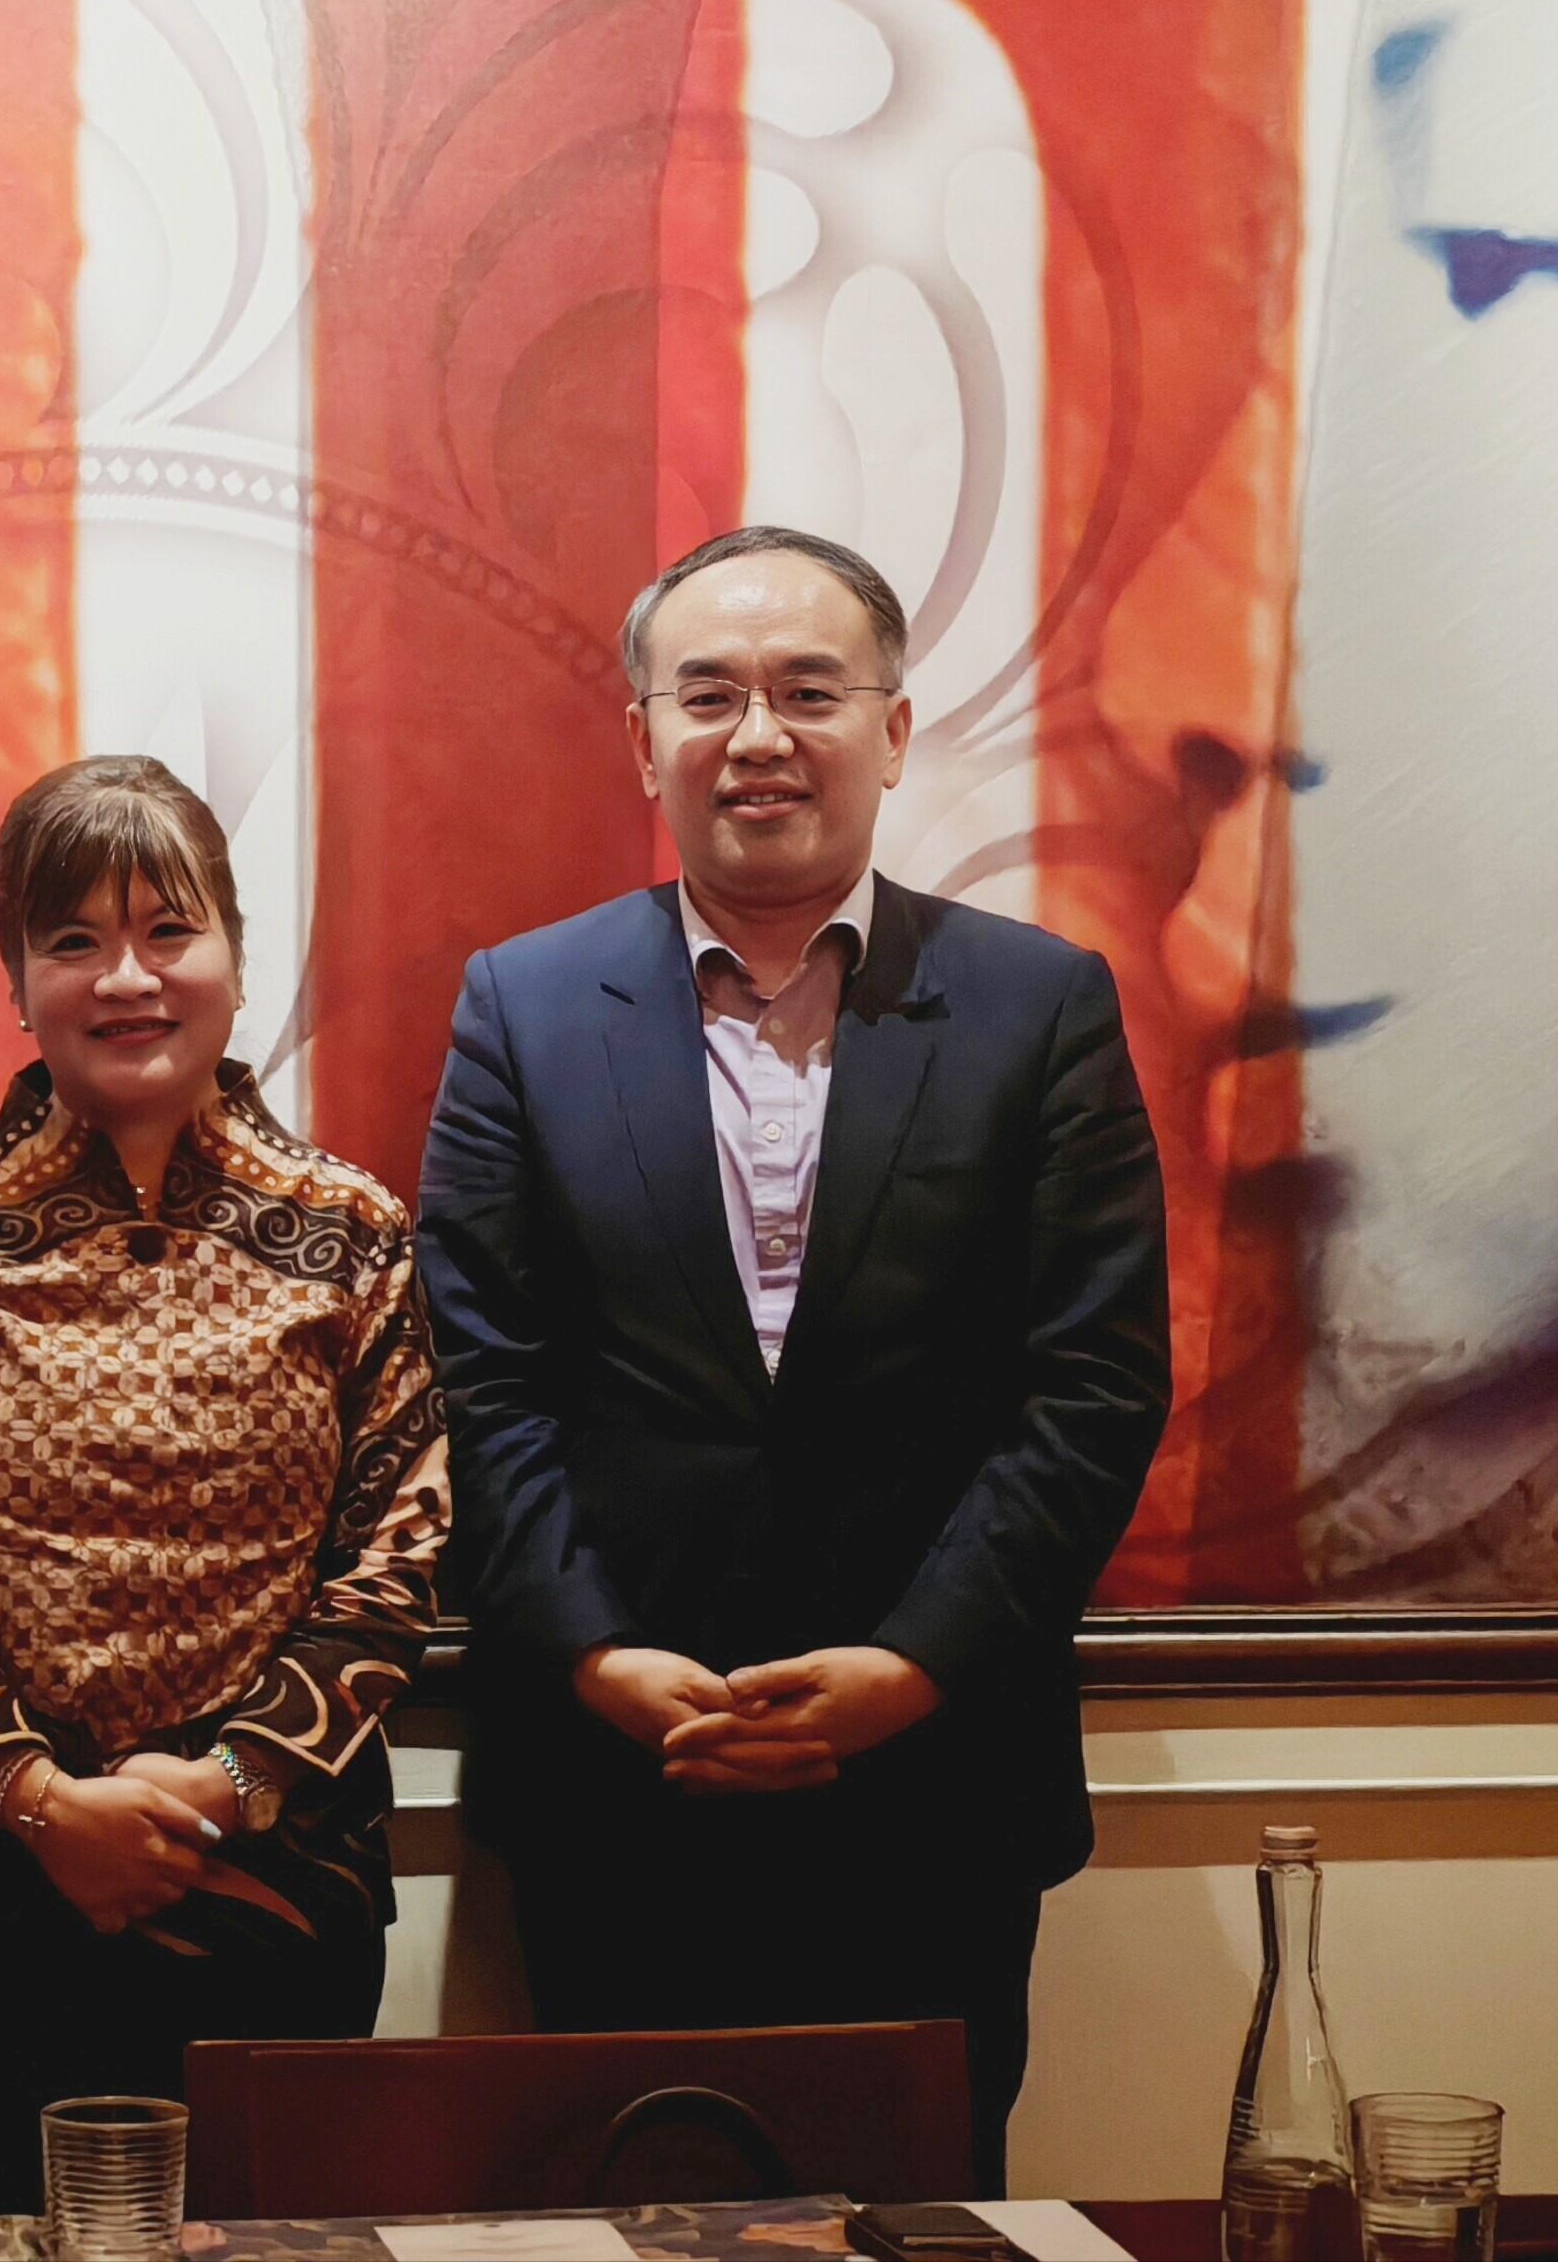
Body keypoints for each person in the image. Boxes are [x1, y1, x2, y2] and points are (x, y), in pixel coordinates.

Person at [415, 526, 1172, 2196]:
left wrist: (912, 1670)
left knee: (926, 2221)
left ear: (890, 733)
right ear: (644, 742)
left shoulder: (1038, 1008)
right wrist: (598, 1658)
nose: (756, 735)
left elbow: (1093, 1385)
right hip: (622, 1782)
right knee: (623, 2228)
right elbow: (478, 1378)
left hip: (932, 1787)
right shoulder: (521, 1008)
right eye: (709, 695)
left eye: (807, 691)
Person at [0, 755, 450, 2216]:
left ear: (233, 954)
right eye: (73, 942)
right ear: (19, 979)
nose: (127, 978)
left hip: (274, 1878)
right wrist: (40, 1801)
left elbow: (400, 1555)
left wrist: (226, 1787)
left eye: (168, 930)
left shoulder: (350, 1229)